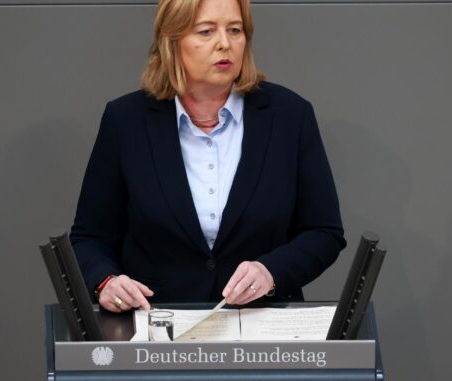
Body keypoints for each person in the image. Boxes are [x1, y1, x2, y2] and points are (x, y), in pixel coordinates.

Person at [70, 0, 345, 313]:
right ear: (172, 42)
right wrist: (106, 281)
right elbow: (90, 237)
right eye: (206, 31)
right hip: (157, 332)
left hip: (263, 332)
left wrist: (271, 272)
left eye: (235, 30)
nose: (224, 44)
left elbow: (324, 233)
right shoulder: (126, 120)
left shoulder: (289, 116)